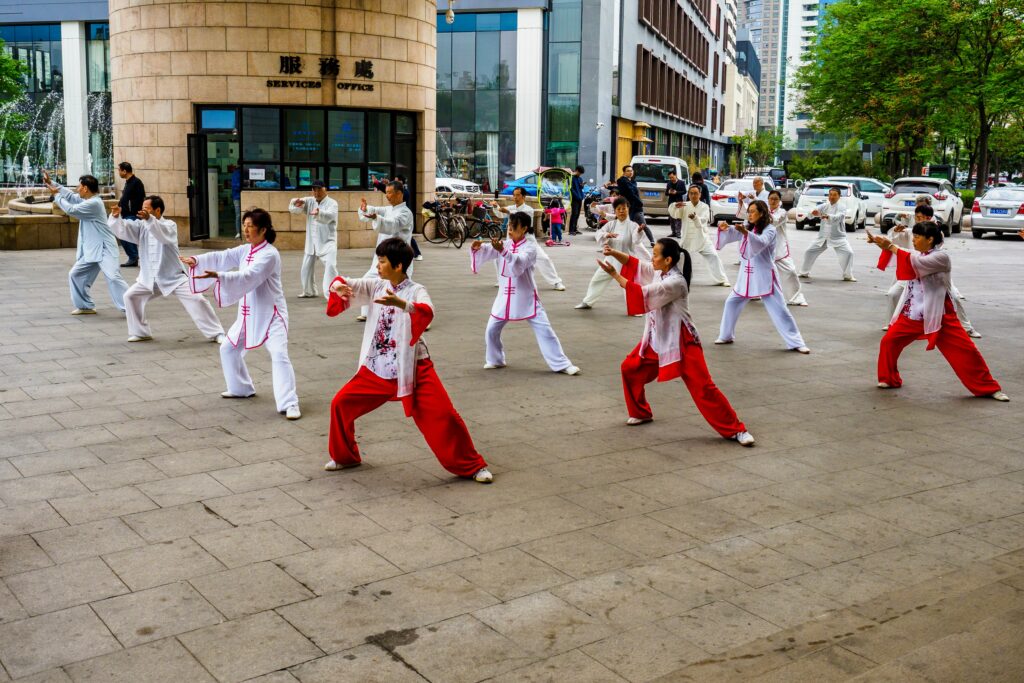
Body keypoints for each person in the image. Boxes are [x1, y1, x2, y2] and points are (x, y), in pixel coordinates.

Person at [324, 237, 493, 482]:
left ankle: (472, 466)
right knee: (340, 404)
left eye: (382, 261)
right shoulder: (376, 286)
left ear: (398, 266)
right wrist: (337, 288)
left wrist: (402, 304)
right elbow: (343, 282)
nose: (378, 265)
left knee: (444, 415)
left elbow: (427, 312)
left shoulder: (416, 290)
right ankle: (345, 456)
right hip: (376, 368)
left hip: (413, 368)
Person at [597, 238, 755, 446]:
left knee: (703, 387)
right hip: (657, 336)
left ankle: (736, 430)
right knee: (630, 368)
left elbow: (643, 294)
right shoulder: (659, 270)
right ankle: (641, 412)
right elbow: (636, 265)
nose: (651, 259)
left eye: (655, 255)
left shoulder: (676, 282)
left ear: (668, 259)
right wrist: (614, 253)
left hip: (682, 341)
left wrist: (614, 275)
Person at [181, 208, 301, 420]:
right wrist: (197, 260)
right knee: (228, 348)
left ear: (263, 230)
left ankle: (289, 403)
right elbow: (223, 256)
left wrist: (220, 275)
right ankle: (241, 388)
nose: (246, 230)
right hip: (248, 313)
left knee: (279, 355)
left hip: (272, 315)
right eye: (244, 226)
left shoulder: (270, 254)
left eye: (250, 227)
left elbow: (249, 275)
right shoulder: (246, 249)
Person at [867, 223, 1007, 401]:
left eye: (917, 237)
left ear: (930, 239)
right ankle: (889, 379)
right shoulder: (917, 253)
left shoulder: (941, 257)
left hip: (940, 315)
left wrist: (891, 247)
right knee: (889, 342)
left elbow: (914, 262)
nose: (914, 240)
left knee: (966, 351)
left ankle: (989, 388)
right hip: (913, 313)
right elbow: (904, 254)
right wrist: (883, 244)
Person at [471, 211, 580, 375]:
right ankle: (495, 359)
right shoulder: (506, 244)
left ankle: (561, 364)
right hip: (504, 297)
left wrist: (502, 251)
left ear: (524, 228)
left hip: (526, 296)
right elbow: (488, 250)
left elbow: (519, 263)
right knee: (491, 330)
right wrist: (478, 248)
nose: (510, 231)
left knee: (545, 330)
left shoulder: (530, 247)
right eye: (509, 226)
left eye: (513, 227)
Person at [109, 195, 224, 343]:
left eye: (146, 209)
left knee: (197, 299)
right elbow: (124, 229)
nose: (142, 212)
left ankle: (217, 333)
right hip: (149, 278)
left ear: (157, 210)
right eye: (142, 209)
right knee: (130, 296)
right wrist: (116, 216)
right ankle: (140, 332)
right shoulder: (141, 226)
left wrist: (149, 220)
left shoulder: (170, 225)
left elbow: (162, 235)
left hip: (173, 277)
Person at [714, 200, 810, 353]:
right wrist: (725, 229)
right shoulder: (748, 227)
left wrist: (745, 233)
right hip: (745, 276)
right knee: (731, 303)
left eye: (752, 211)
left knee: (779, 309)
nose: (749, 214)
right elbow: (734, 232)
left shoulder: (770, 230)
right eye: (749, 211)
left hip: (765, 275)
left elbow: (761, 242)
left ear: (762, 213)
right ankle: (726, 335)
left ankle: (796, 342)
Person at [882, 203, 979, 337]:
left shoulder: (935, 235)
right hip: (914, 273)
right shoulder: (912, 231)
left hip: (934, 273)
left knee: (954, 297)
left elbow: (917, 254)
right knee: (893, 294)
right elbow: (896, 242)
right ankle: (892, 323)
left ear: (928, 218)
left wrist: (895, 248)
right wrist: (895, 232)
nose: (915, 240)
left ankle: (967, 327)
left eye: (921, 218)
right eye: (916, 217)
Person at [43, 171, 129, 315]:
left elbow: (71, 209)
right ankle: (85, 306)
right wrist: (52, 183)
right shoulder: (87, 200)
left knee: (113, 277)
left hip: (105, 248)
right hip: (92, 249)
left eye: (79, 186)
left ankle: (131, 307)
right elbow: (69, 196)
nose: (77, 189)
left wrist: (56, 195)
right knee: (75, 274)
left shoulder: (94, 203)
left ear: (85, 188)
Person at [575, 197, 651, 310]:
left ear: (628, 209)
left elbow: (636, 240)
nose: (621, 211)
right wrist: (606, 235)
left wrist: (639, 232)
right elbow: (599, 233)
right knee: (597, 279)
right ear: (615, 211)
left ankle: (636, 308)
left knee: (628, 285)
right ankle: (588, 301)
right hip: (610, 260)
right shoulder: (611, 224)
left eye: (624, 208)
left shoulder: (633, 225)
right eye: (618, 209)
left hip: (626, 260)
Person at [356, 180, 415, 320]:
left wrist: (377, 218)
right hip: (383, 257)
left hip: (398, 258)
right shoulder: (389, 209)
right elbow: (375, 210)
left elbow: (393, 225)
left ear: (399, 193)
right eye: (386, 192)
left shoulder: (406, 213)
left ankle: (417, 314)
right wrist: (365, 209)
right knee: (368, 281)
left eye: (389, 193)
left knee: (404, 289)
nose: (387, 196)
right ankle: (367, 313)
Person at [490, 187, 566, 290]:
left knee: (544, 258)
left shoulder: (528, 209)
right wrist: (496, 207)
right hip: (512, 241)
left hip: (528, 241)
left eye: (518, 195)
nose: (515, 197)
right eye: (514, 195)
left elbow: (522, 219)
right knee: (499, 257)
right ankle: (501, 280)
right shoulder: (511, 208)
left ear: (523, 196)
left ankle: (556, 282)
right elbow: (500, 213)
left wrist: (508, 212)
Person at [668, 185, 730, 287]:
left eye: (696, 193)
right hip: (687, 238)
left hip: (702, 238)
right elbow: (675, 214)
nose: (693, 195)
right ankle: (673, 277)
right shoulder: (684, 205)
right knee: (678, 257)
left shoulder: (704, 206)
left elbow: (704, 220)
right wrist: (675, 205)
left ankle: (722, 279)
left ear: (700, 195)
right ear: (688, 194)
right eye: (691, 193)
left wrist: (695, 218)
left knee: (713, 256)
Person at [289, 179, 339, 299]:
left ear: (324, 189)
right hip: (312, 241)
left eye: (319, 189)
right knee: (306, 268)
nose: (316, 192)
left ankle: (333, 293)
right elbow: (294, 207)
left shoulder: (333, 203)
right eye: (314, 189)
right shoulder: (310, 201)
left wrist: (319, 213)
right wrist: (296, 202)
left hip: (327, 241)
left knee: (331, 266)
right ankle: (309, 291)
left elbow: (330, 216)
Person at [798, 186, 856, 281]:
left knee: (849, 253)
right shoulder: (824, 206)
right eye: (830, 194)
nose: (832, 197)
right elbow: (811, 213)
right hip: (823, 237)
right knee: (809, 251)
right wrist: (813, 212)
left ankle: (848, 275)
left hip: (838, 237)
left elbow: (838, 217)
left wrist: (827, 216)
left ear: (839, 196)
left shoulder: (842, 207)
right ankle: (804, 272)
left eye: (834, 195)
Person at [767, 189, 807, 306]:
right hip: (764, 246)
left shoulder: (783, 212)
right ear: (768, 199)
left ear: (780, 201)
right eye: (771, 198)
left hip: (779, 247)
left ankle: (796, 297)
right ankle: (755, 293)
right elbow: (747, 215)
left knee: (790, 271)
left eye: (776, 199)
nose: (773, 201)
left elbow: (774, 222)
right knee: (758, 272)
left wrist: (763, 213)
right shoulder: (762, 211)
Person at [612, 165, 655, 247]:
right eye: (628, 171)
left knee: (642, 224)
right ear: (624, 172)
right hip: (627, 207)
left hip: (636, 207)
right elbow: (630, 192)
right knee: (624, 225)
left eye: (631, 171)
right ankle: (618, 241)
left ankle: (652, 241)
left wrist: (639, 202)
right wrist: (640, 202)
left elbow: (634, 193)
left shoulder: (633, 181)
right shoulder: (621, 180)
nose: (630, 172)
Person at [116, 162, 145, 267]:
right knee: (122, 233)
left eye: (119, 170)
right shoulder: (128, 182)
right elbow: (125, 198)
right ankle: (133, 257)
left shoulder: (136, 182)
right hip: (127, 214)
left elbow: (139, 200)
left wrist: (134, 213)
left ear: (124, 171)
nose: (118, 172)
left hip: (133, 215)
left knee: (123, 233)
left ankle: (133, 257)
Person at [395, 174, 423, 261]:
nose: (394, 182)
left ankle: (417, 254)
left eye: (396, 180)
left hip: (405, 216)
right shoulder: (399, 190)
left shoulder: (404, 191)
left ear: (400, 181)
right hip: (399, 215)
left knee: (408, 235)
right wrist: (377, 183)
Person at [665, 171, 688, 237]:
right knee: (671, 218)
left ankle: (678, 233)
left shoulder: (681, 182)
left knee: (678, 217)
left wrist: (676, 192)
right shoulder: (669, 183)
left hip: (678, 201)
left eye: (672, 177)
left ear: (675, 175)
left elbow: (684, 191)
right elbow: (666, 193)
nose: (671, 179)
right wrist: (669, 192)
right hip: (671, 203)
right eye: (670, 178)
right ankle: (673, 232)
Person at [569, 165, 585, 236]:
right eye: (579, 172)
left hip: (580, 198)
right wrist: (577, 196)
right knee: (574, 214)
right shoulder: (571, 178)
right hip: (574, 199)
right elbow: (571, 189)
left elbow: (580, 187)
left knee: (577, 214)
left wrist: (582, 185)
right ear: (576, 170)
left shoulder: (580, 178)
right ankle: (571, 230)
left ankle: (575, 229)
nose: (580, 174)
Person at [230, 163, 242, 239]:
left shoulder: (240, 172)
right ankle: (238, 232)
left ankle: (240, 232)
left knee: (240, 215)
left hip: (238, 196)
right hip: (237, 197)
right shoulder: (236, 173)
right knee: (238, 215)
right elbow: (235, 186)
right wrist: (243, 185)